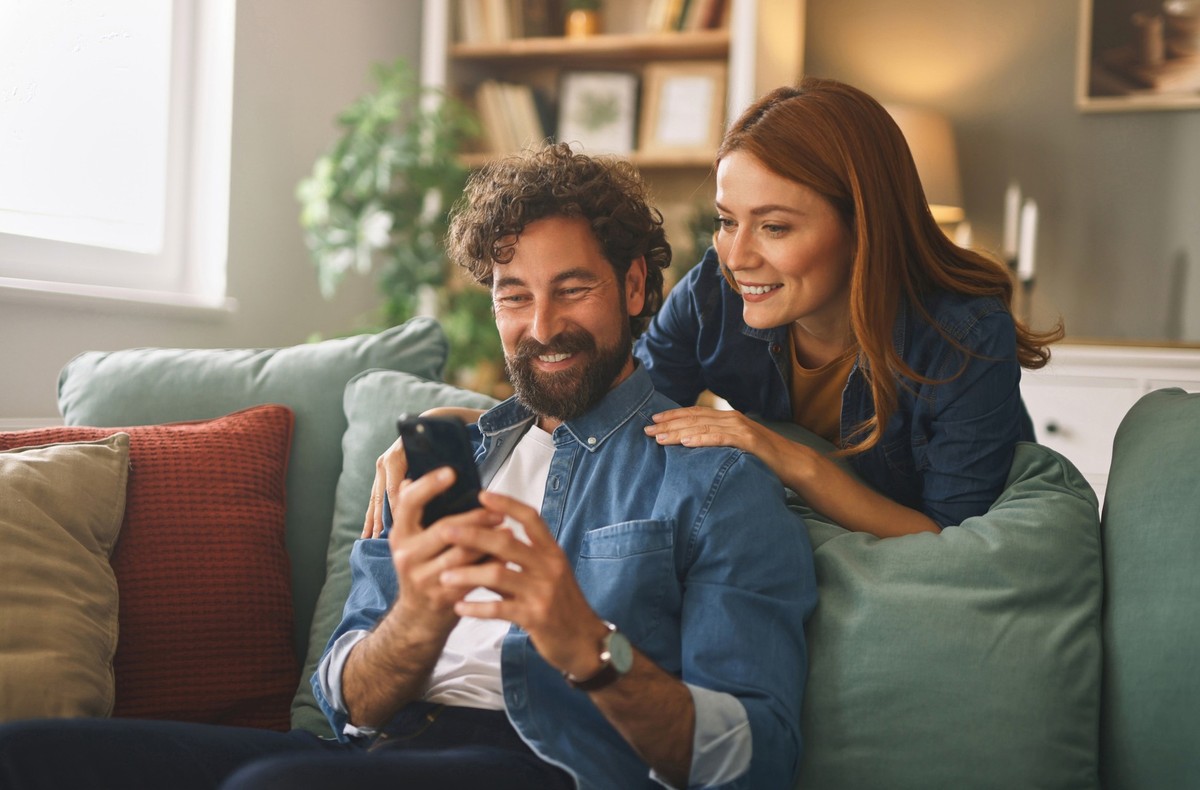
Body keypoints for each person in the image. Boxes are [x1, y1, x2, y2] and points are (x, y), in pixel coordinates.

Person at [0, 143, 816, 790]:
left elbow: (757, 759)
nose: (541, 326)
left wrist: (591, 648)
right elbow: (345, 701)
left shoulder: (711, 477)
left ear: (636, 286)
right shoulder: (445, 456)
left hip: (552, 765)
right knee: (29, 757)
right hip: (381, 753)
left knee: (275, 787)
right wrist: (419, 615)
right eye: (512, 295)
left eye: (573, 289)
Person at [368, 77, 1062, 539]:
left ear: (863, 226)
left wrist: (785, 455)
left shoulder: (964, 336)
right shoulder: (713, 293)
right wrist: (466, 422)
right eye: (728, 221)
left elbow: (954, 540)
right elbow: (617, 407)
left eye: (776, 227)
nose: (739, 255)